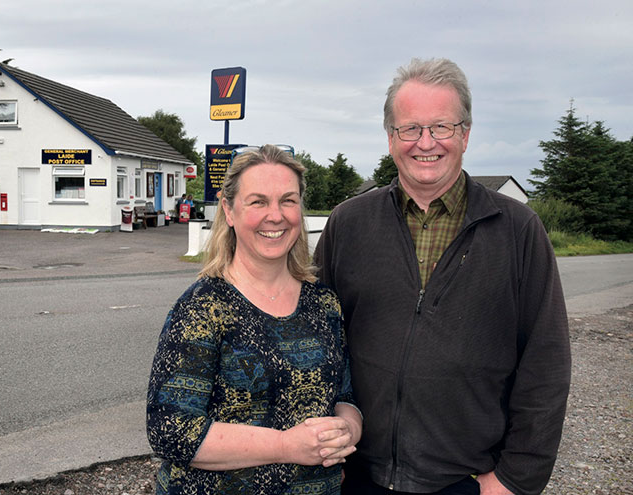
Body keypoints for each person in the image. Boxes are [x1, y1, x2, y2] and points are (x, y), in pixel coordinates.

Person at [314, 58, 571, 495]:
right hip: (357, 475)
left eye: (442, 127)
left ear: (465, 134)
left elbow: (545, 364)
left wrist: (514, 479)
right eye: (410, 128)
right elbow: (313, 340)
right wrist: (322, 453)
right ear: (390, 138)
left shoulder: (518, 229)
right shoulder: (349, 223)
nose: (425, 142)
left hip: (467, 481)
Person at [147, 144, 362, 494]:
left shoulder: (324, 303)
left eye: (288, 201)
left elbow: (346, 396)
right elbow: (169, 430)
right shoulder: (203, 307)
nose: (275, 215)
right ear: (229, 212)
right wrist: (286, 446)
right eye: (258, 202)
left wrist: (348, 429)